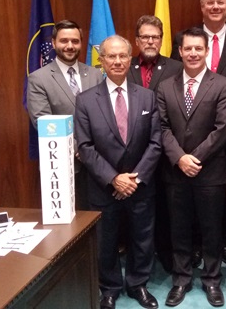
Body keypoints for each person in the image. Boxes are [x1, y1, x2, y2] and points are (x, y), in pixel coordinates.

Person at [170, 0, 226, 266]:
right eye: (210, 3)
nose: (216, 7)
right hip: (191, 129)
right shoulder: (186, 39)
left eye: (221, 2)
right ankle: (196, 245)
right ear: (202, 6)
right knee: (193, 189)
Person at [75, 35, 162, 309]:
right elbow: (85, 146)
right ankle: (109, 288)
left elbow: (156, 142)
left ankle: (138, 284)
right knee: (106, 240)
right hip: (104, 186)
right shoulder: (86, 100)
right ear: (101, 61)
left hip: (140, 185)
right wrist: (113, 178)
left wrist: (134, 178)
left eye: (122, 55)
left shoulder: (147, 96)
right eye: (111, 56)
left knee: (142, 237)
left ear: (130, 58)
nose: (117, 61)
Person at [157, 27, 226, 307]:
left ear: (207, 51)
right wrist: (179, 158)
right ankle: (181, 279)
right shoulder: (165, 86)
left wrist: (195, 158)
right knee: (178, 228)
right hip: (175, 172)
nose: (192, 53)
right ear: (180, 51)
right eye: (187, 48)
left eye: (198, 49)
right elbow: (162, 127)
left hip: (210, 172)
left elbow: (223, 128)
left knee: (211, 229)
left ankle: (212, 280)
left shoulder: (223, 85)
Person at [27, 20, 104, 210]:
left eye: (75, 41)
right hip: (62, 163)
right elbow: (42, 121)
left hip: (97, 162)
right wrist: (80, 148)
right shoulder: (39, 78)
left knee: (97, 218)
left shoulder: (95, 74)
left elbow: (104, 116)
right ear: (54, 43)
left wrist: (91, 150)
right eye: (64, 41)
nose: (70, 46)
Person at [127, 15, 182, 273]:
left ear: (162, 40)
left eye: (155, 37)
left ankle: (169, 255)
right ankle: (139, 260)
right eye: (145, 37)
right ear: (136, 40)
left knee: (168, 209)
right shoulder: (125, 67)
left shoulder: (176, 67)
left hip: (166, 154)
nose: (150, 41)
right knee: (138, 211)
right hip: (134, 154)